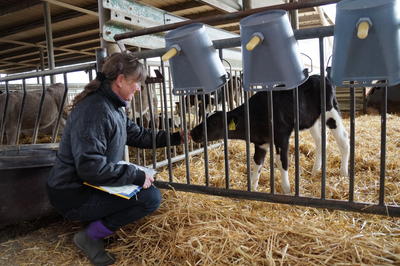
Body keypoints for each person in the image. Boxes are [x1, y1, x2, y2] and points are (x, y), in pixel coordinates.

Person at [47, 52, 185, 266]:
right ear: (120, 80)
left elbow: (138, 134)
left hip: (87, 184)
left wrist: (178, 137)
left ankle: (97, 221)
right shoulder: (96, 111)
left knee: (146, 187)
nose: (139, 88)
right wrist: (135, 175)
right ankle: (90, 236)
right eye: (136, 83)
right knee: (150, 198)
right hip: (72, 194)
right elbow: (90, 168)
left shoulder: (113, 106)